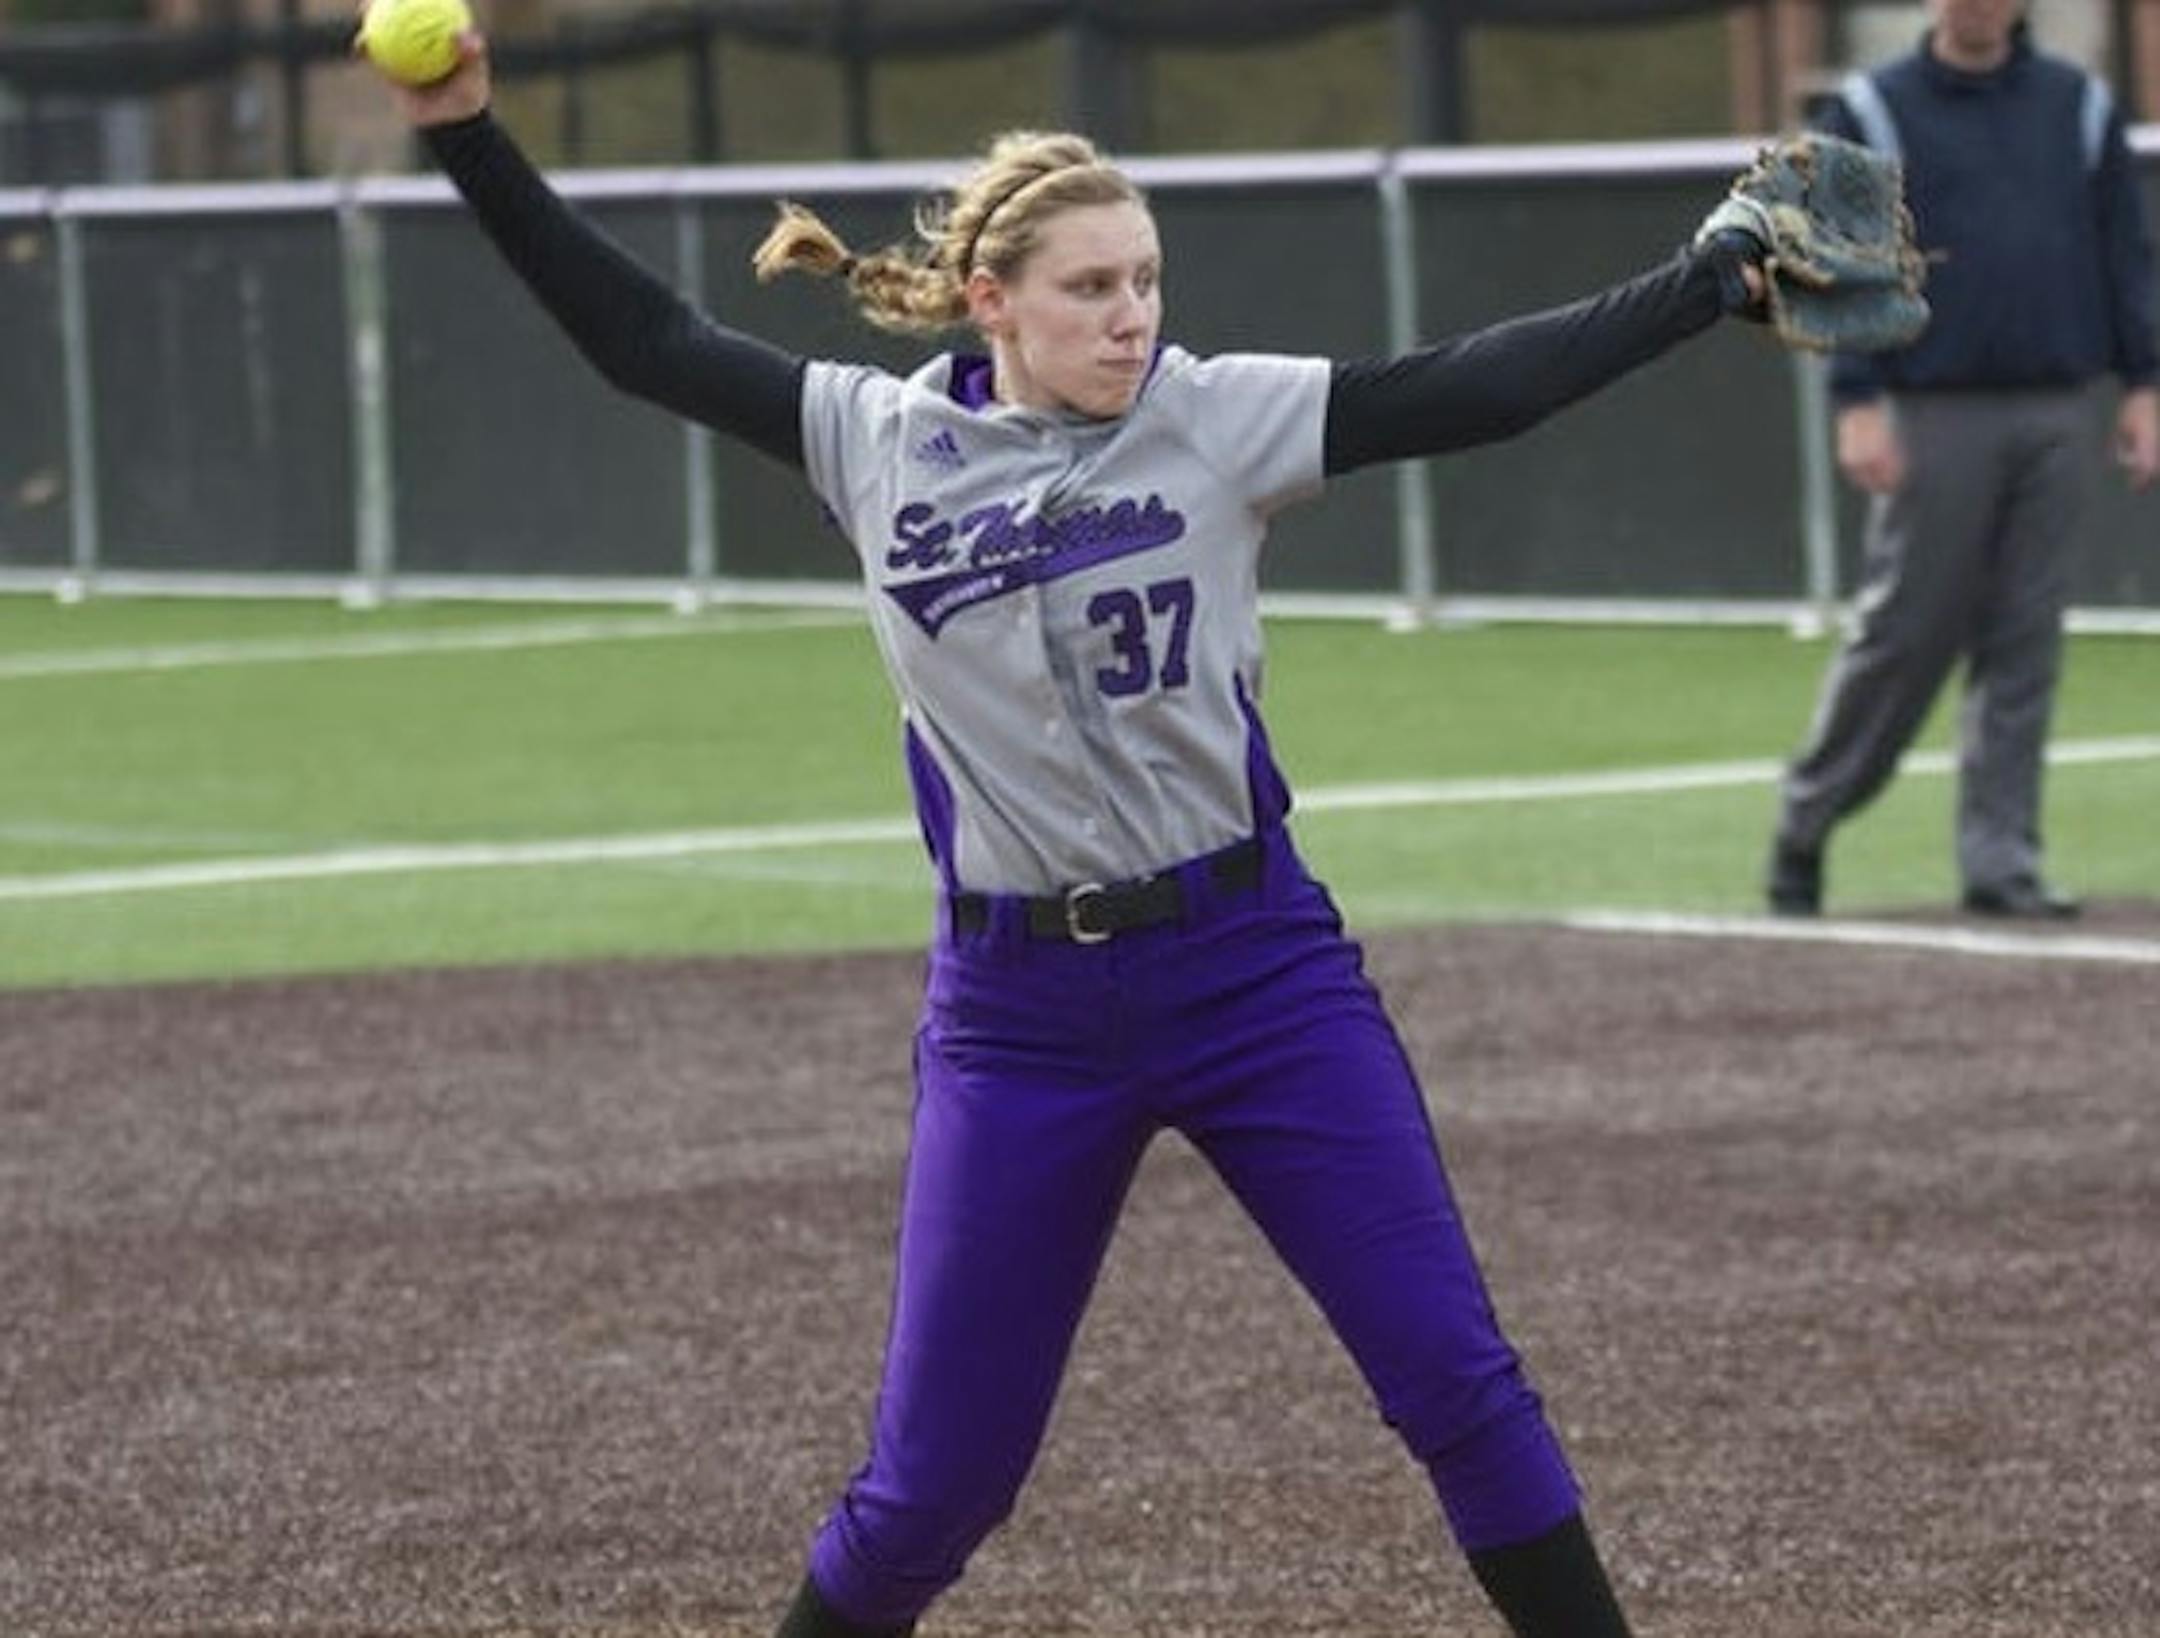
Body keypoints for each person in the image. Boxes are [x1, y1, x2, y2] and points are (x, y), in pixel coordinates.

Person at [367, 24, 1771, 1638]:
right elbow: (645, 340)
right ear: (994, 303)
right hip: (1019, 1019)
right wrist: (465, 130)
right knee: (932, 1486)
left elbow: (1481, 390)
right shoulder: (874, 443)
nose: (1132, 315)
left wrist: (1703, 281)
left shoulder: (1214, 418)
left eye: (1145, 279)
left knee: (1457, 1380)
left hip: (1256, 973)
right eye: (1091, 286)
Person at [1764, 0, 2158, 919]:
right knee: (1905, 636)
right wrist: (1856, 399)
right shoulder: (1873, 107)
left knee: (2027, 639)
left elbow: (2126, 251)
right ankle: (1807, 817)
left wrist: (2145, 383)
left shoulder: (2079, 106)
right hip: (1931, 408)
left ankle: (2001, 860)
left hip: (2056, 405)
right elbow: (1834, 256)